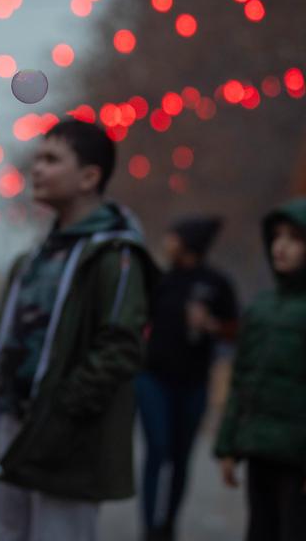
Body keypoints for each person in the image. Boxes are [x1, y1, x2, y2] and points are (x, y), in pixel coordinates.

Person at [0, 119, 155, 541]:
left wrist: (62, 411)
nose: (37, 169)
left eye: (52, 159)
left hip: (68, 437)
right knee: (2, 531)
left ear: (89, 176)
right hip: (15, 423)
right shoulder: (32, 258)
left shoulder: (116, 256)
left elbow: (119, 348)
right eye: (38, 158)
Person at [137, 215, 238, 541]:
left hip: (194, 382)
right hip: (153, 378)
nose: (168, 244)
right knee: (158, 448)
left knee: (181, 456)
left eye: (173, 238)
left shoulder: (216, 283)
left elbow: (235, 329)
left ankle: (168, 525)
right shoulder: (162, 280)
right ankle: (150, 526)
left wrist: (211, 325)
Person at [214, 198, 306, 541]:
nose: (280, 246)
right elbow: (242, 379)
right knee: (260, 530)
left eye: (295, 238)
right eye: (277, 236)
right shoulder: (261, 308)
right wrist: (228, 446)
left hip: (297, 456)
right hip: (260, 449)